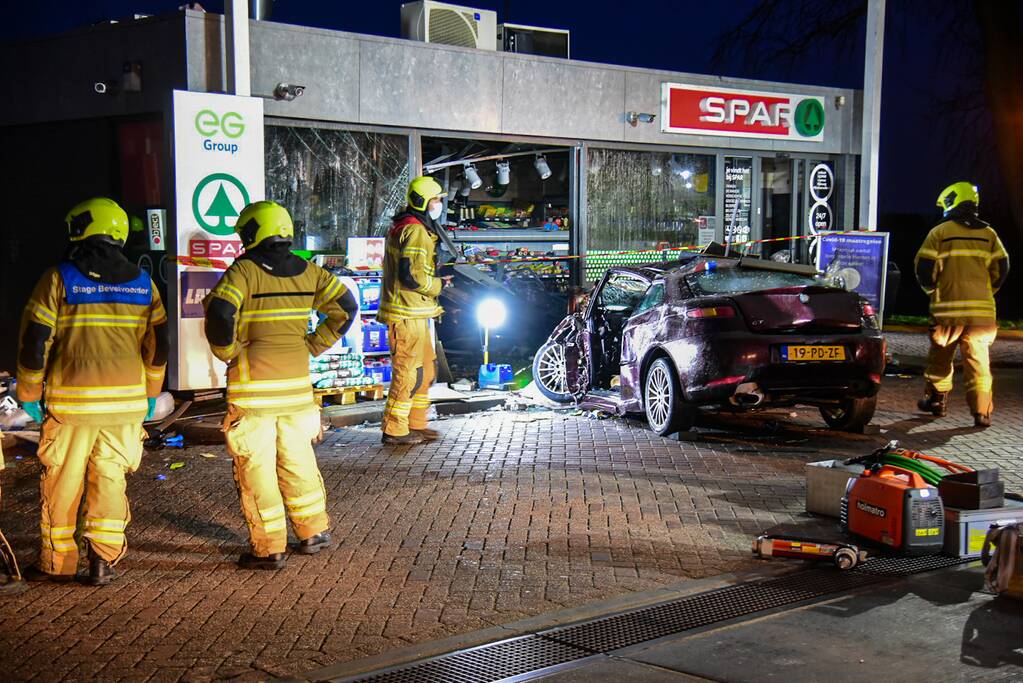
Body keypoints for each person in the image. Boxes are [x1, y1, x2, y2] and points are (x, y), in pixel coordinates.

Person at [16, 198, 168, 585]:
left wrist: (29, 393)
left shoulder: (59, 279)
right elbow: (158, 345)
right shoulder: (143, 283)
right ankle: (103, 560)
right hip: (125, 407)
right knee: (110, 478)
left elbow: (35, 341)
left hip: (73, 405)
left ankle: (58, 564)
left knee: (63, 483)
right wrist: (151, 392)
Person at [203, 200, 358, 569]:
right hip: (297, 392)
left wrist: (228, 352)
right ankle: (313, 532)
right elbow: (347, 307)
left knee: (256, 468)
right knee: (298, 460)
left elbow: (221, 312)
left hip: (254, 393)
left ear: (253, 232)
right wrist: (315, 344)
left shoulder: (243, 271)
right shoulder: (311, 272)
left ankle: (268, 548)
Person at [914, 182, 1010, 427]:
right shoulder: (989, 234)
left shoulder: (940, 233)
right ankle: (982, 412)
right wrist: (987, 292)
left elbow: (924, 268)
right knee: (979, 363)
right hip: (981, 315)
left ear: (951, 203)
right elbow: (1002, 267)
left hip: (948, 312)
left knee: (940, 359)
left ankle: (936, 401)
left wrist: (934, 292)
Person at [377, 176, 452, 445]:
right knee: (408, 375)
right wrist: (439, 284)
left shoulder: (409, 226)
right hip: (406, 315)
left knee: (425, 373)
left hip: (416, 313)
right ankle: (395, 430)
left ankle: (416, 424)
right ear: (424, 202)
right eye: (436, 199)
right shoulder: (415, 230)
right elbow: (411, 276)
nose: (439, 203)